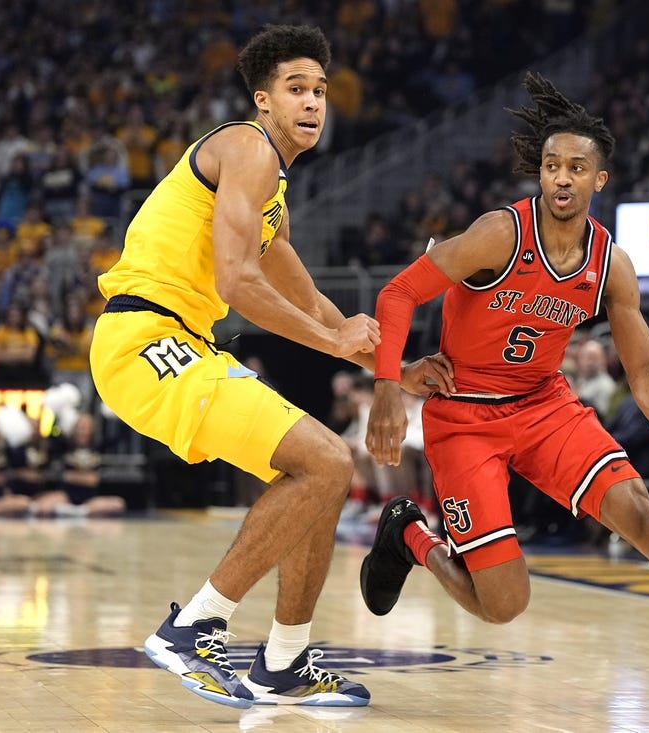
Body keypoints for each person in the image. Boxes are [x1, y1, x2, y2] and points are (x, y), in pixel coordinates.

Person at [360, 74, 649, 715]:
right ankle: (410, 538)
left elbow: (644, 368)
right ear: (541, 173)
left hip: (544, 406)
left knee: (647, 520)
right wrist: (388, 384)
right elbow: (397, 293)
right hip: (465, 417)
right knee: (504, 604)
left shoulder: (610, 265)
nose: (561, 178)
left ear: (600, 180)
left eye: (577, 168)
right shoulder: (497, 235)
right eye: (551, 166)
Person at [89, 25, 449, 709]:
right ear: (263, 100)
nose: (314, 102)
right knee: (327, 461)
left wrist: (391, 366)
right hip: (145, 340)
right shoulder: (246, 148)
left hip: (179, 343)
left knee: (317, 477)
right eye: (297, 89)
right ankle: (195, 624)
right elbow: (237, 284)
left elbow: (307, 297)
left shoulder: (271, 194)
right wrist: (336, 341)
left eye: (319, 90)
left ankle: (282, 661)